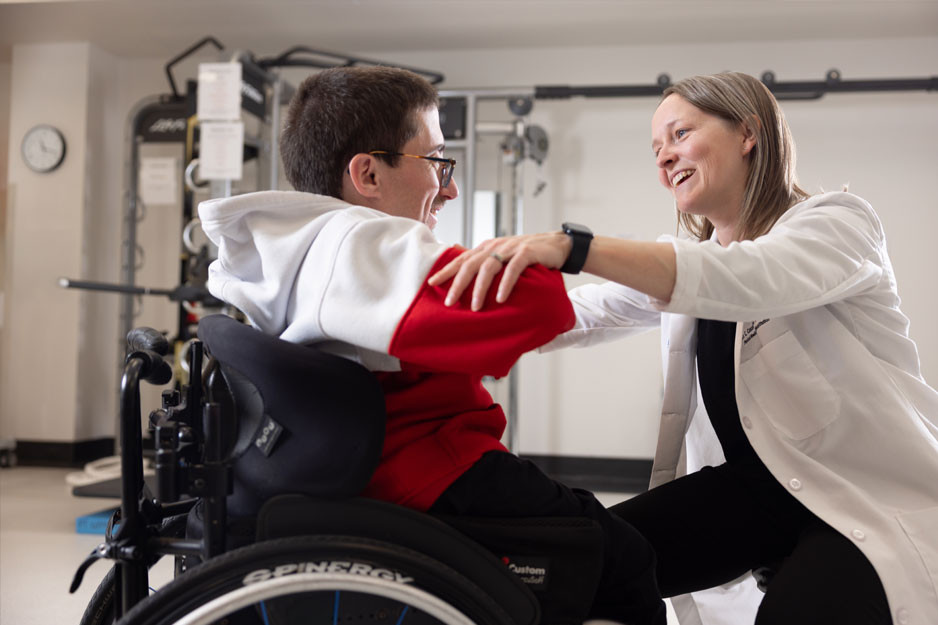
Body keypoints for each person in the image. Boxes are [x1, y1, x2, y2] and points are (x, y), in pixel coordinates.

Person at [430, 71, 938, 625]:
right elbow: (585, 313)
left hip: (859, 498)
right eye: (656, 150)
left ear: (748, 133)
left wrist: (573, 246)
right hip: (755, 496)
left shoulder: (838, 224)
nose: (665, 158)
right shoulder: (699, 260)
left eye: (679, 134)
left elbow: (753, 276)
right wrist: (433, 329)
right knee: (594, 563)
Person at [198, 66, 666, 624]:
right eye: (436, 160)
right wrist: (561, 248)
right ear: (368, 173)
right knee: (626, 557)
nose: (450, 187)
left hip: (373, 463)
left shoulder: (293, 245)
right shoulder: (363, 242)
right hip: (429, 469)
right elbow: (533, 305)